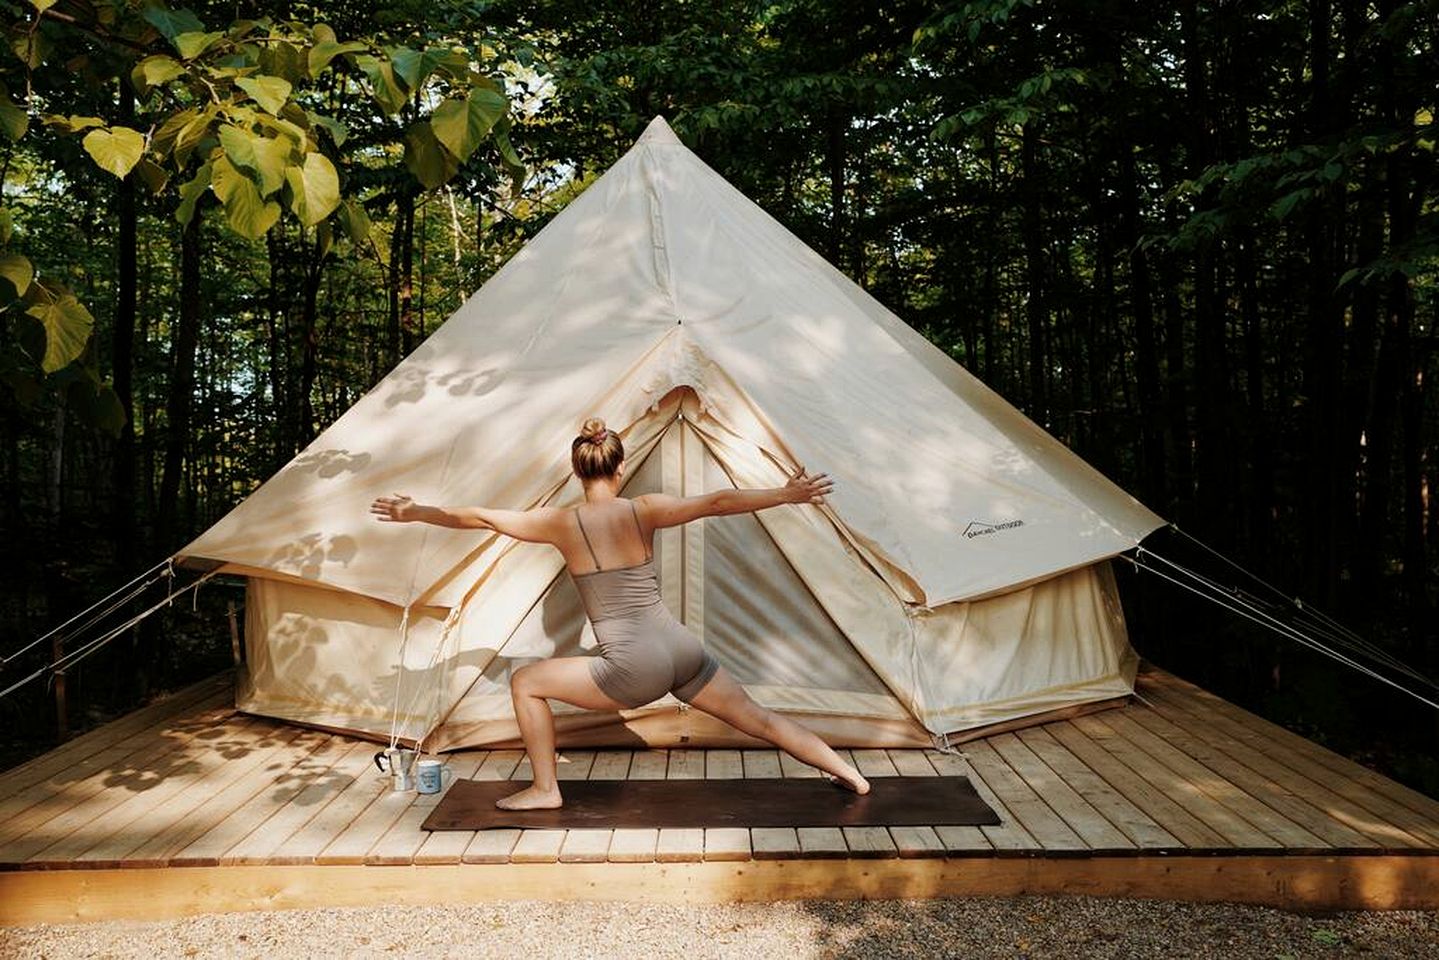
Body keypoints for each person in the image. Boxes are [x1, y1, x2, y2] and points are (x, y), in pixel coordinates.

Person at [369, 417, 871, 809]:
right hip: (681, 648)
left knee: (525, 682)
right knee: (758, 719)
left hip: (637, 668)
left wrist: (417, 512)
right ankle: (849, 773)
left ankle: (546, 789)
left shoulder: (559, 524)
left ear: (576, 470)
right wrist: (786, 494)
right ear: (620, 467)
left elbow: (479, 518)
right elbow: (717, 501)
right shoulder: (644, 508)